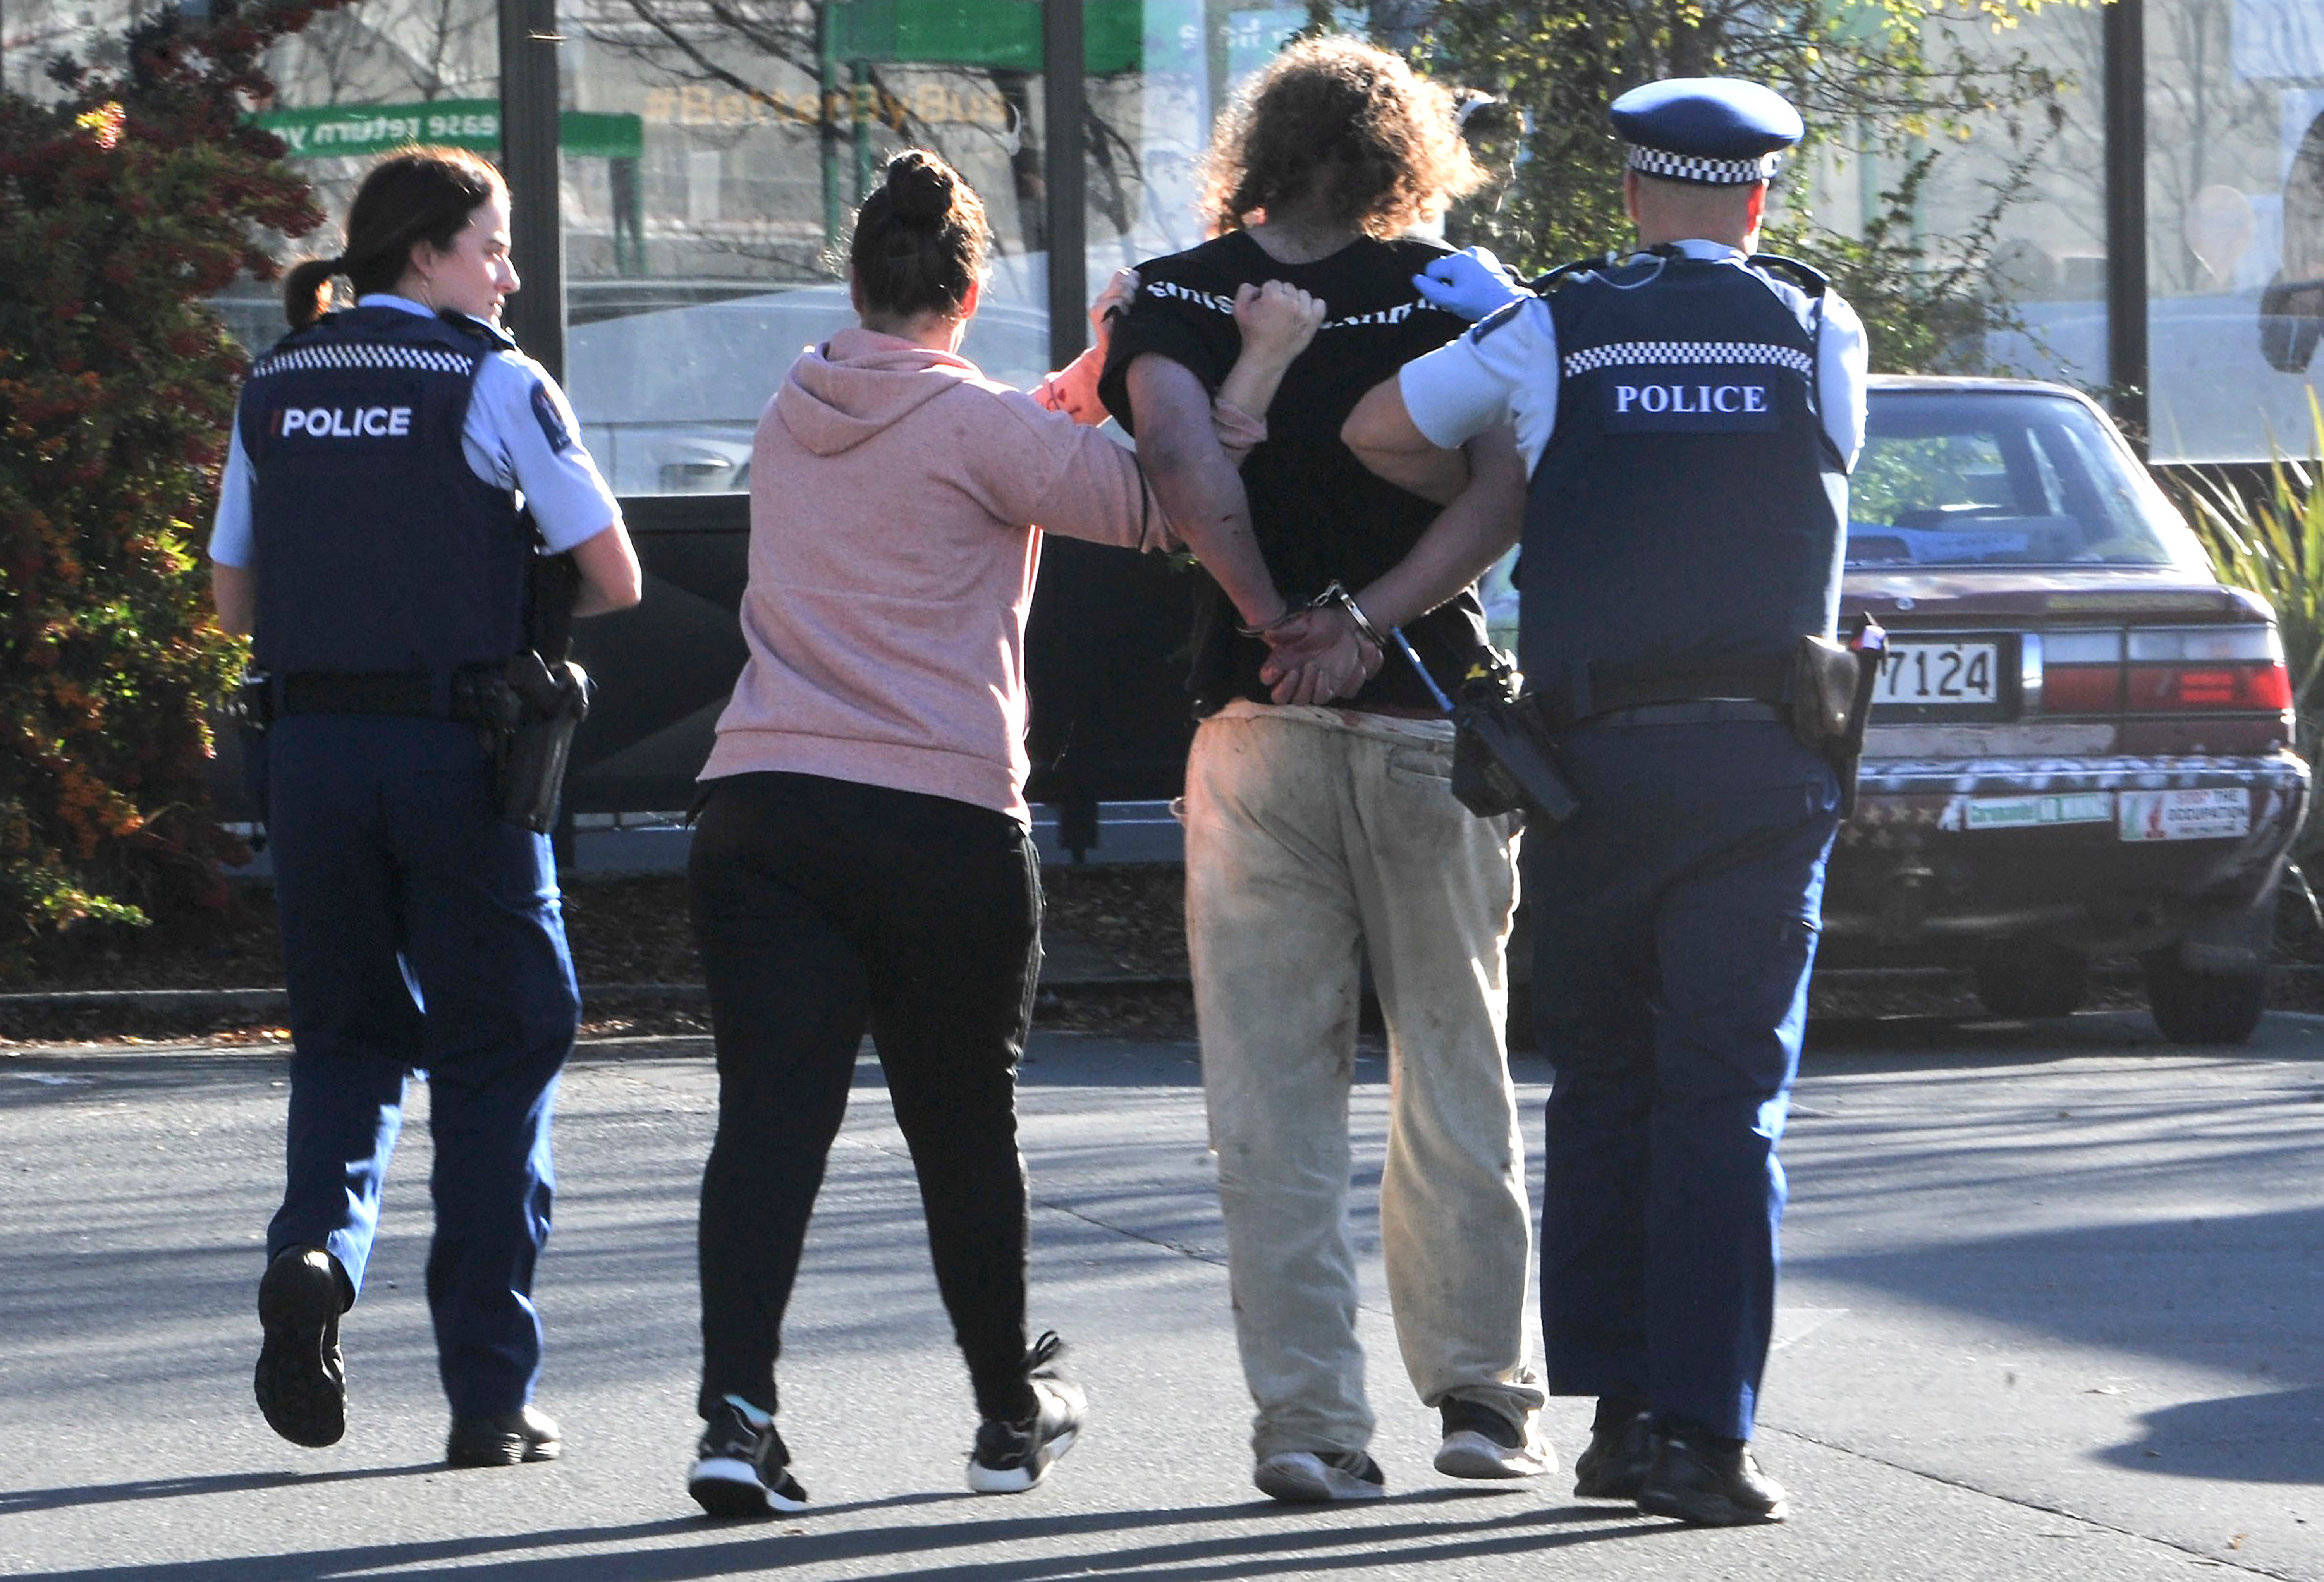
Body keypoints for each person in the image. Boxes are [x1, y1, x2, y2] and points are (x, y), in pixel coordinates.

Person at [682, 148, 1324, 1518]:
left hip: (762, 805)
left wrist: (1087, 375)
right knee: (964, 1127)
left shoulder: (793, 406)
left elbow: (987, 435)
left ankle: (736, 1419)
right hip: (937, 818)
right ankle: (999, 1418)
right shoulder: (981, 428)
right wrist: (1253, 366)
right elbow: (1166, 503)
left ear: (857, 281)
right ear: (970, 294)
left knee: (768, 1128)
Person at [1343, 77, 1872, 1526]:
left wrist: (1524, 464)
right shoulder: (1822, 326)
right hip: (1765, 767)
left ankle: (1622, 1420)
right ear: (1758, 199)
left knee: (1612, 1084)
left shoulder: (1551, 325)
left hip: (1592, 774)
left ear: (1633, 191)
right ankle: (1711, 1437)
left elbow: (1380, 433)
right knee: (1729, 1100)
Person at [1096, 36, 1543, 1504]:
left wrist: (1269, 621)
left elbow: (1182, 461)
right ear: (1402, 153)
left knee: (1272, 1099)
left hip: (1249, 726)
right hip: (1428, 718)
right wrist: (1363, 624)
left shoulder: (1170, 291)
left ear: (1258, 150)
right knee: (1452, 1066)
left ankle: (1307, 1427)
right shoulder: (1458, 292)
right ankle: (1481, 1402)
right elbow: (1505, 495)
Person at [209, 146, 644, 1465]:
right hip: (460, 758)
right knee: (504, 1046)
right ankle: (490, 1396)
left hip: (313, 758)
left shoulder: (272, 382)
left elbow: (235, 602)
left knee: (346, 1041)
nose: (510, 275)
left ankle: (317, 1263)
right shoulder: (494, 375)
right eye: (495, 247)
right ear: (425, 256)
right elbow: (616, 574)